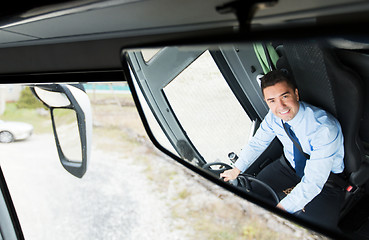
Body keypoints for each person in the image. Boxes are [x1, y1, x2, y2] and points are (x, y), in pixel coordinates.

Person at [220, 70, 345, 229]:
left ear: (296, 94)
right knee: (248, 198)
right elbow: (257, 142)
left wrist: (279, 210)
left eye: (285, 97)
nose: (280, 107)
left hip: (327, 182)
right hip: (287, 168)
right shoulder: (274, 118)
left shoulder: (324, 129)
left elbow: (313, 182)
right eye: (272, 101)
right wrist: (236, 169)